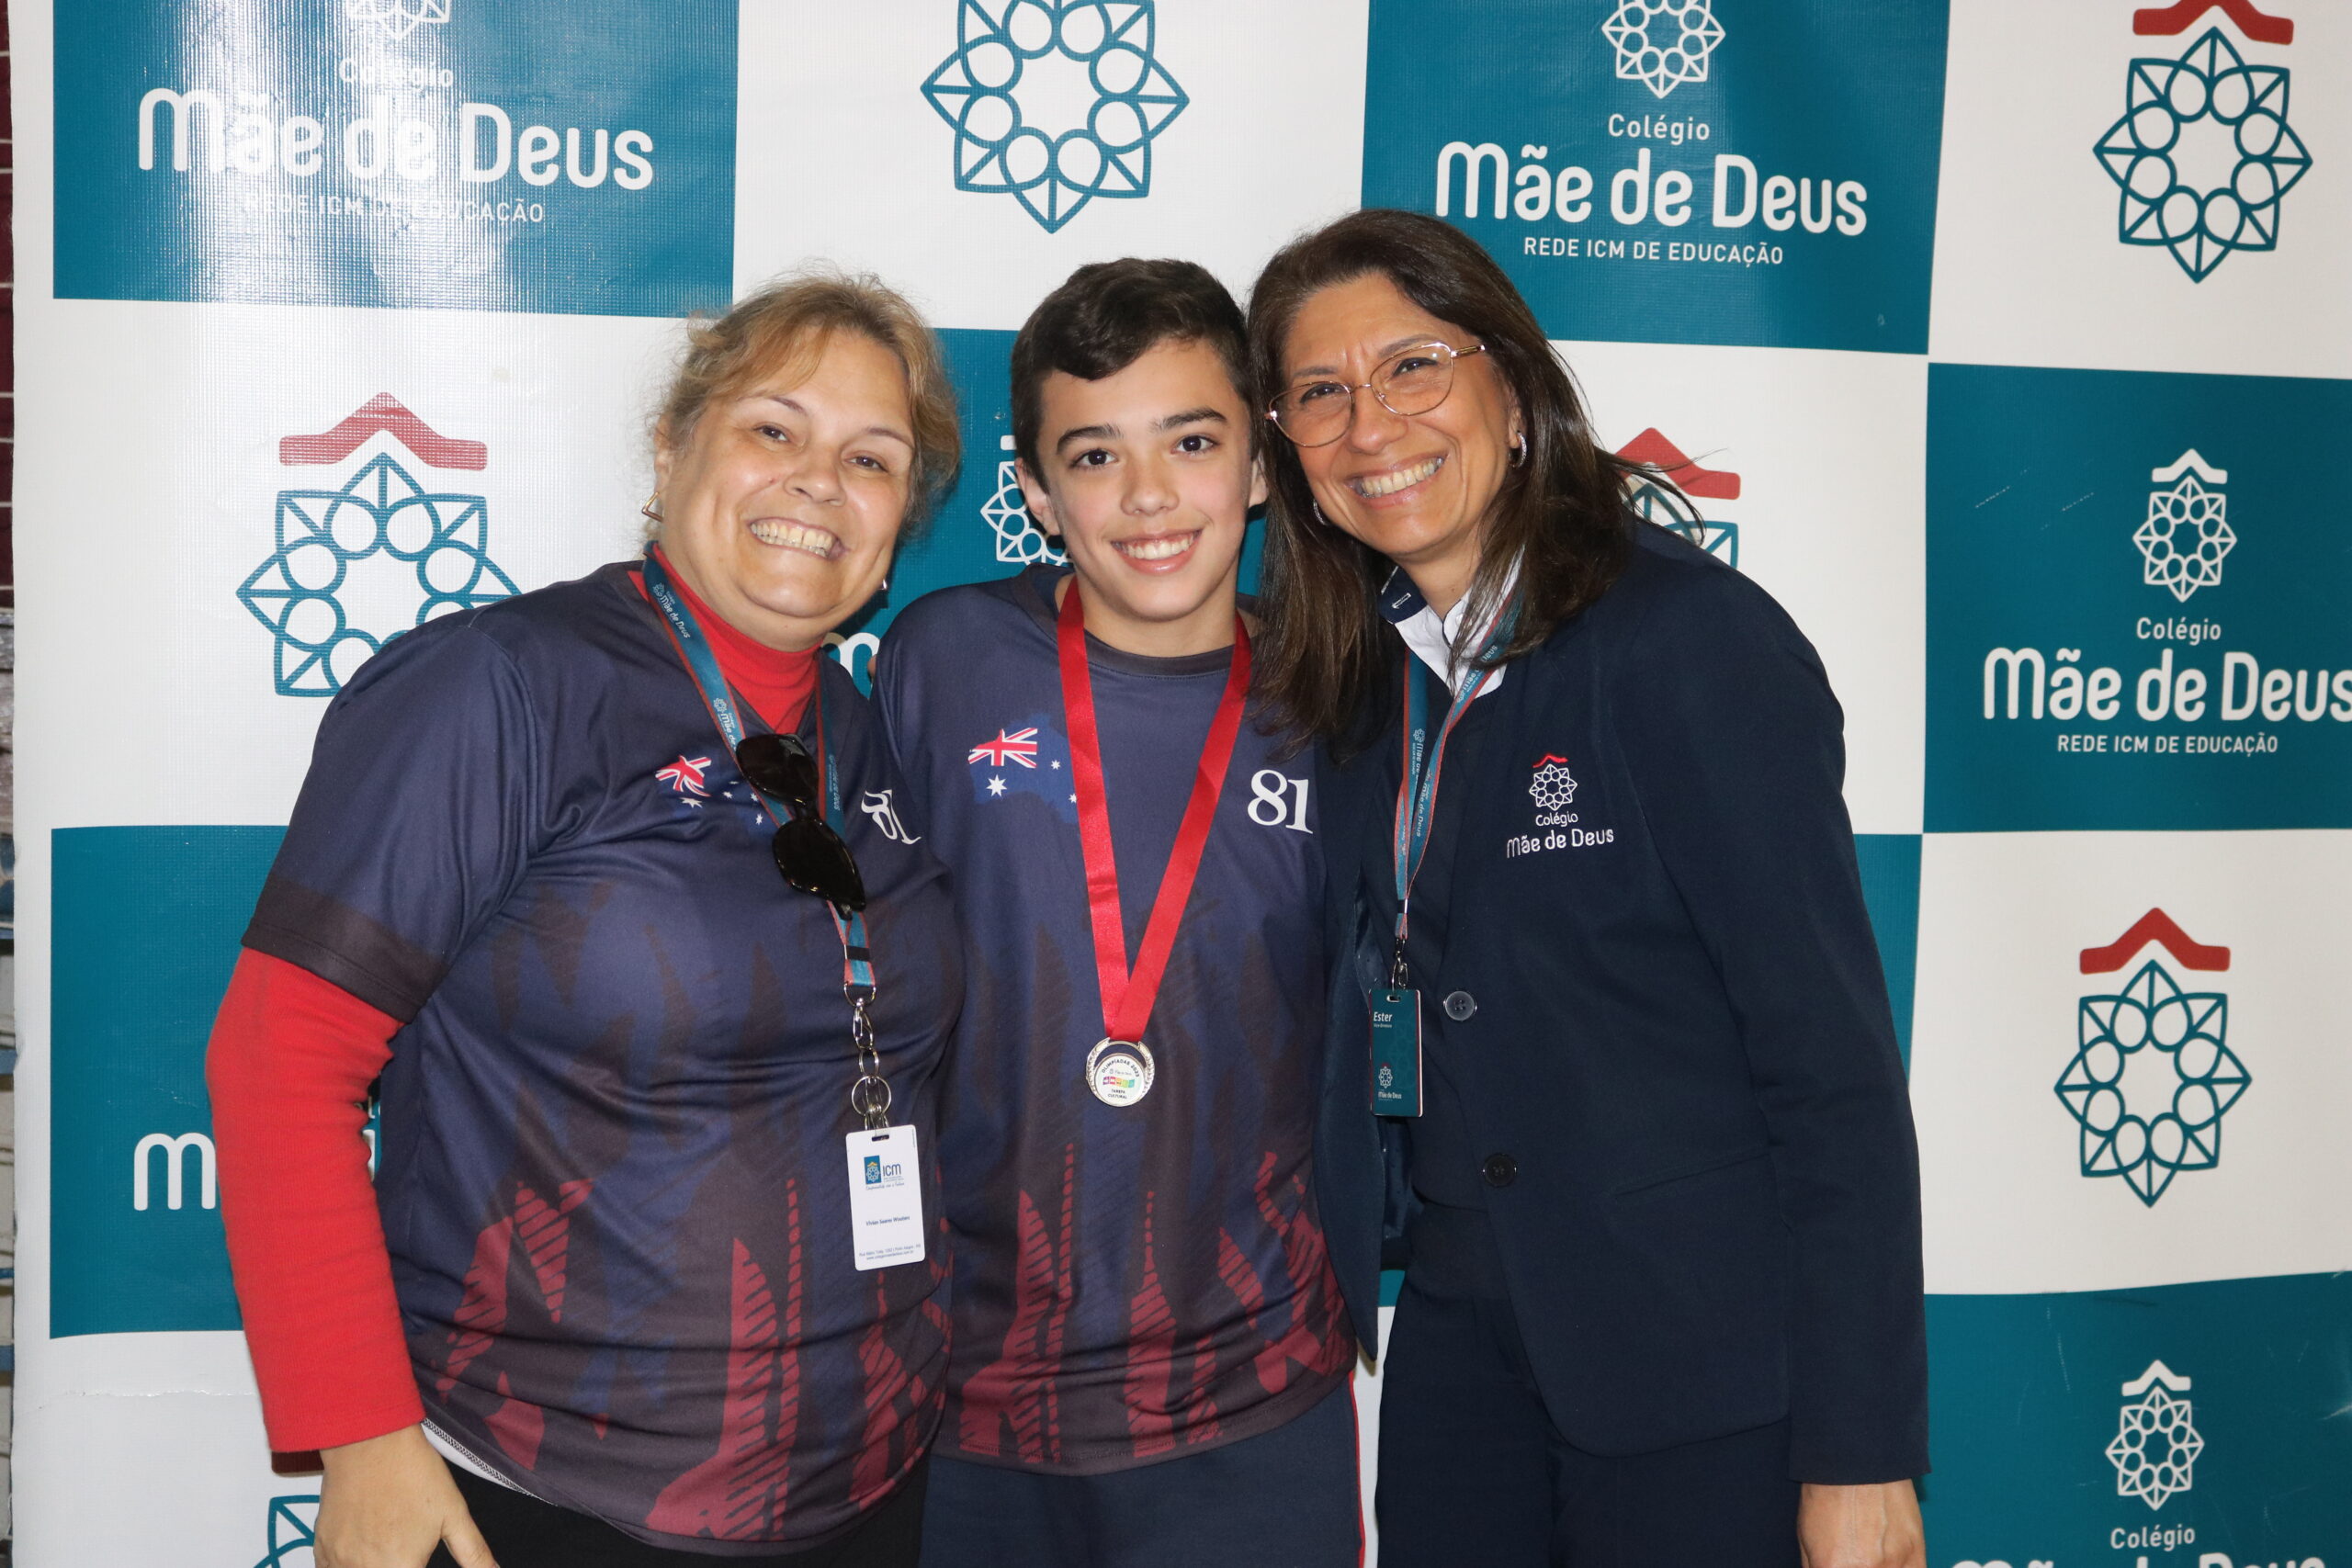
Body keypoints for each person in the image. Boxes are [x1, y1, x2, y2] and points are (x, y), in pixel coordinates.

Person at [206, 271, 967, 1568]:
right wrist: (363, 1439)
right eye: (773, 429)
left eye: (871, 458)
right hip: (548, 1498)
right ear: (672, 450)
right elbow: (280, 1057)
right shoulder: (499, 687)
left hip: (869, 1488)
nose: (817, 482)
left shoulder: (868, 732)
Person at [1246, 209, 1929, 1568]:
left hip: (1697, 1368)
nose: (1369, 425)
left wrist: (1860, 1455)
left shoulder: (1690, 642)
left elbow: (1833, 1074)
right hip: (1462, 1344)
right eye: (1319, 393)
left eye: (1413, 367)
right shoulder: (1363, 681)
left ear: (1512, 393)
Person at [871, 259, 1359, 1568]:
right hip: (961, 1403)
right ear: (1036, 493)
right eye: (1094, 455)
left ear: (1259, 464)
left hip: (1253, 1401)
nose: (1148, 497)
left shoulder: (1339, 697)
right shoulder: (944, 660)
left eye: (1191, 442)